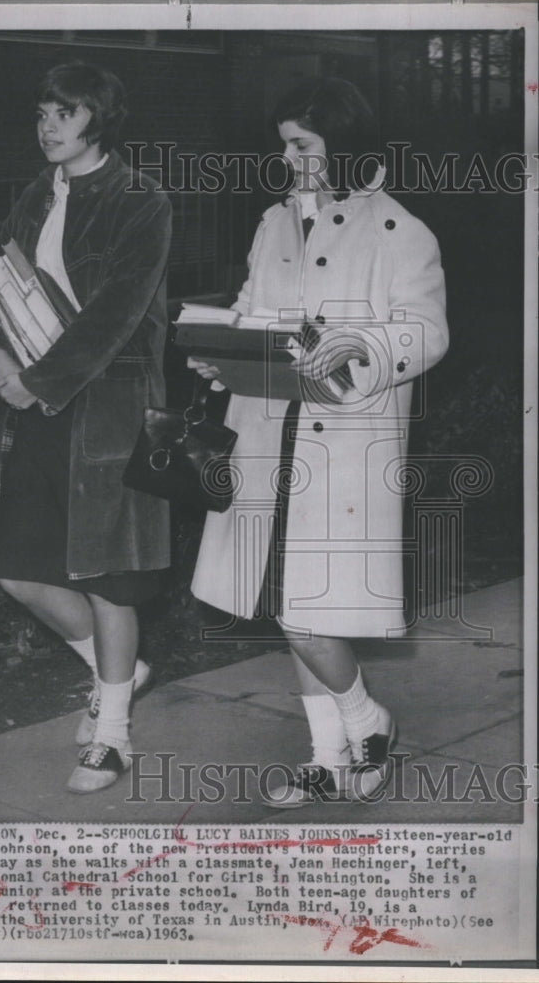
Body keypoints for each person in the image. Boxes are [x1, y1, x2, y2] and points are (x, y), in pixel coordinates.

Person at [189, 77, 448, 806]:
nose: (288, 158)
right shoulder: (275, 223)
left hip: (344, 444)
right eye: (282, 146)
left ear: (343, 141)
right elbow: (249, 309)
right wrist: (220, 352)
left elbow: (428, 332)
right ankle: (327, 753)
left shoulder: (400, 230)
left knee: (309, 609)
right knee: (287, 604)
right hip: (268, 431)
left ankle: (369, 722)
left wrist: (361, 343)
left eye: (301, 144)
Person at [0, 60, 171, 794]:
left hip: (107, 413)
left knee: (110, 579)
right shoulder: (32, 197)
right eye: (44, 111)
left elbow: (116, 317)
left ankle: (111, 736)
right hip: (32, 410)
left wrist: (39, 381)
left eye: (66, 112)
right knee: (18, 568)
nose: (48, 125)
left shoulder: (139, 200)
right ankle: (116, 673)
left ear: (99, 121)